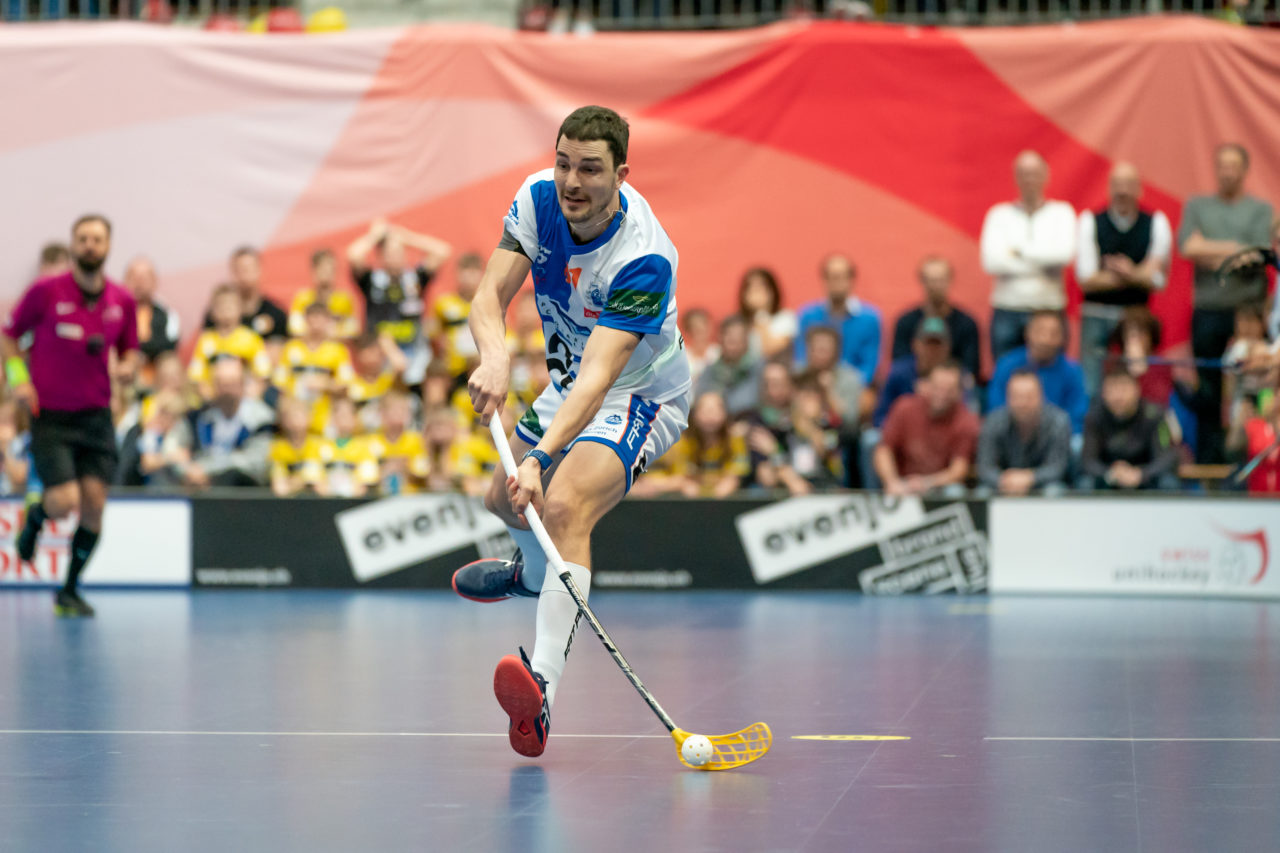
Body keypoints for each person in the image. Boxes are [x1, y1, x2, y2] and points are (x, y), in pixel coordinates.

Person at [450, 106, 691, 759]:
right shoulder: (537, 198)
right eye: (563, 163)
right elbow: (487, 297)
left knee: (561, 503)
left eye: (589, 168)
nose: (571, 181)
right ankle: (532, 576)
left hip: (637, 390)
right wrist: (496, 356)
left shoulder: (643, 257)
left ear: (621, 173)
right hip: (572, 378)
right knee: (502, 500)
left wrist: (543, 457)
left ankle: (542, 689)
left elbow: (598, 379)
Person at [1, 214, 139, 617]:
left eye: (97, 239)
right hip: (52, 415)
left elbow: (131, 349)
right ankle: (38, 513)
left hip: (96, 416)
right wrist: (18, 379)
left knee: (94, 504)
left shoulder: (122, 301)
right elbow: (8, 336)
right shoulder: (45, 292)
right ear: (73, 244)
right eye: (83, 239)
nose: (90, 245)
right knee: (64, 501)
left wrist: (129, 366)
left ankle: (70, 590)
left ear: (109, 246)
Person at [1178, 143, 1274, 463]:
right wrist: (1234, 248)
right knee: (1208, 387)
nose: (1227, 171)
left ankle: (1251, 454)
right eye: (1222, 165)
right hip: (1208, 310)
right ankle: (1209, 461)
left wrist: (1211, 249)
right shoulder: (1198, 206)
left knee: (1254, 383)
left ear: (1245, 170)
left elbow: (1258, 255)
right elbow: (1188, 247)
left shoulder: (1261, 210)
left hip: (1249, 311)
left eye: (1234, 165)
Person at [1075, 162, 1173, 398]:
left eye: (1128, 185)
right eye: (1117, 185)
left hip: (1136, 318)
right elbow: (1086, 279)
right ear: (1109, 188)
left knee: (1138, 382)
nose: (1122, 191)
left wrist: (1119, 273)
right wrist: (1137, 274)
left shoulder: (1157, 223)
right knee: (1092, 384)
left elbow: (1158, 280)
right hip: (1095, 315)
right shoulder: (1090, 221)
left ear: (1140, 189)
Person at [980, 150, 1077, 362]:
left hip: (1049, 307)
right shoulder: (999, 215)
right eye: (1023, 173)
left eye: (1034, 173)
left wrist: (1019, 252)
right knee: (1007, 373)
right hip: (1007, 307)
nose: (1029, 179)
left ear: (1046, 175)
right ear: (1015, 177)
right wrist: (1043, 262)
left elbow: (1063, 255)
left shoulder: (1062, 213)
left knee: (1051, 375)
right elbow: (992, 262)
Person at [347, 218, 452, 385]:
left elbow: (443, 251)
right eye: (390, 253)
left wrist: (407, 238)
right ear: (382, 257)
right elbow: (353, 255)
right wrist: (375, 236)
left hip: (416, 360)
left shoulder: (415, 280)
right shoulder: (373, 281)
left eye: (399, 252)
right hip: (382, 363)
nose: (395, 257)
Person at [873, 360, 980, 497]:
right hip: (901, 483)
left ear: (960, 393)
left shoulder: (966, 420)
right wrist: (892, 481)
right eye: (937, 387)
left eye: (949, 389)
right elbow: (883, 451)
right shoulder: (905, 407)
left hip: (939, 487)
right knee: (870, 441)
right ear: (925, 385)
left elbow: (959, 470)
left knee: (955, 491)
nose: (942, 394)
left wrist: (925, 483)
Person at [987, 311, 1088, 434]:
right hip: (1011, 437)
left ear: (1062, 338)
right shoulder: (1006, 365)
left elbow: (1077, 415)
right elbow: (996, 409)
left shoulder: (1073, 372)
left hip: (1058, 437)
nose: (1046, 339)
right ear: (1027, 333)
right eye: (1040, 331)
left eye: (1053, 333)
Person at [1080, 367, 1179, 491]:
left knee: (1169, 482)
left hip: (1146, 479)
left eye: (1124, 389)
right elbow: (1087, 460)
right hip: (1108, 479)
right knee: (1085, 483)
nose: (1118, 397)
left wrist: (1141, 474)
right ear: (1103, 394)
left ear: (1137, 390)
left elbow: (1167, 457)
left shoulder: (1156, 415)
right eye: (1112, 390)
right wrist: (1109, 474)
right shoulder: (1094, 417)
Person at [975, 369, 1072, 495]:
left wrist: (1029, 478)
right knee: (982, 493)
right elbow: (984, 467)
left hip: (1042, 484)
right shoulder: (993, 421)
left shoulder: (1059, 421)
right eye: (1016, 396)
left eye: (1029, 397)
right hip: (1004, 484)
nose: (1023, 403)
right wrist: (1004, 480)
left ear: (1041, 396)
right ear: (1007, 397)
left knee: (1054, 490)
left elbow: (1057, 467)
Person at [185, 358, 275, 488]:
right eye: (222, 384)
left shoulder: (261, 418)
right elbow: (182, 452)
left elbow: (256, 463)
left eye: (232, 384)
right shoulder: (200, 417)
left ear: (243, 385)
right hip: (203, 490)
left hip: (245, 491)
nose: (227, 391)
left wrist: (208, 468)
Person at [795, 253, 881, 384]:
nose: (837, 283)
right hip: (812, 386)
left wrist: (849, 385)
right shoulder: (807, 316)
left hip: (853, 387)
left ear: (851, 279)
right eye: (832, 277)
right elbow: (801, 358)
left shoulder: (870, 319)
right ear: (824, 280)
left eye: (842, 277)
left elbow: (869, 364)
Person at [890, 256, 981, 380]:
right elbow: (898, 363)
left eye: (941, 280)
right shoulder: (905, 322)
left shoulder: (966, 324)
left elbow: (971, 369)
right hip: (913, 385)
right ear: (921, 281)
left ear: (951, 280)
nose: (935, 286)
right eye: (930, 280)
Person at [273, 302, 355, 435]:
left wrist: (325, 384)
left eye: (320, 318)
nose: (316, 322)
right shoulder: (291, 348)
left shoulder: (337, 351)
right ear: (305, 320)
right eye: (313, 317)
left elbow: (346, 385)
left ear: (328, 321)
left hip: (323, 421)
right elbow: (280, 384)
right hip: (295, 420)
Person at [189, 284, 273, 400]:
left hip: (243, 400)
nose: (225, 309)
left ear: (240, 308)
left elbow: (262, 375)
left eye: (230, 305)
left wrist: (250, 395)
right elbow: (196, 376)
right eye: (220, 305)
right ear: (212, 311)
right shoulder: (205, 340)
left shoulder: (251, 339)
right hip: (214, 401)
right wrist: (208, 396)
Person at [875, 316, 957, 428]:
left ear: (947, 348)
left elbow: (966, 417)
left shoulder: (955, 377)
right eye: (927, 344)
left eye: (937, 345)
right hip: (900, 435)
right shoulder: (898, 373)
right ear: (915, 344)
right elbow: (880, 416)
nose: (932, 350)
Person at [203, 246, 288, 343]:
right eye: (239, 270)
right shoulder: (216, 314)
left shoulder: (275, 314)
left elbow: (279, 353)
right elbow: (208, 349)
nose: (244, 275)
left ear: (260, 270)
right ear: (232, 273)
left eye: (249, 269)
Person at [430, 251, 485, 385]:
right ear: (458, 273)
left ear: (481, 275)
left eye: (474, 271)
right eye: (465, 271)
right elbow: (432, 333)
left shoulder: (489, 304)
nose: (469, 276)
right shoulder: (443, 303)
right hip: (452, 370)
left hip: (480, 368)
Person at [695, 315, 762, 419]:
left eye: (739, 337)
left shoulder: (758, 367)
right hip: (718, 427)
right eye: (730, 337)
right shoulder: (710, 370)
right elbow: (701, 403)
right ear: (720, 338)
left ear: (747, 341)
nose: (734, 342)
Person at [287, 249, 359, 340]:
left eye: (330, 268)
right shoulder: (302, 298)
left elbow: (352, 330)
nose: (326, 272)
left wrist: (329, 332)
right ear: (314, 270)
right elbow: (294, 328)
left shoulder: (344, 299)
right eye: (322, 268)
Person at [315, 396, 379, 498]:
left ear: (354, 418)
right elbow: (316, 477)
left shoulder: (364, 446)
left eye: (347, 415)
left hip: (354, 499)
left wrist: (351, 491)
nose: (343, 419)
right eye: (339, 415)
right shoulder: (321, 446)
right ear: (332, 418)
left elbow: (367, 480)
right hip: (327, 499)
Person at [366, 392, 429, 495]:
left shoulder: (418, 441)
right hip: (379, 500)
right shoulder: (370, 442)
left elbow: (423, 474)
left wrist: (404, 468)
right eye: (396, 410)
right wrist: (385, 470)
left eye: (404, 410)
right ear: (382, 413)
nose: (401, 413)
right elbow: (366, 478)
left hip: (412, 499)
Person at [124, 256, 181, 368]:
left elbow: (169, 345)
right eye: (134, 277)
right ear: (125, 280)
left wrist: (142, 353)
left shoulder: (167, 313)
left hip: (156, 370)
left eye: (144, 278)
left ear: (154, 281)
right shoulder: (115, 313)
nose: (138, 283)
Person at [736, 266, 796, 359]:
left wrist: (760, 315)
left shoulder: (786, 317)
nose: (755, 292)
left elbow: (769, 349)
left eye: (760, 287)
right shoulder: (738, 322)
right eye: (750, 288)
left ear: (772, 291)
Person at [270, 397, 324, 497]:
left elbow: (318, 483)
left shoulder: (318, 445)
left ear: (309, 417)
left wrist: (296, 481)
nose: (295, 420)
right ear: (282, 420)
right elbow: (279, 487)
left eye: (300, 414)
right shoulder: (278, 447)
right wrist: (302, 481)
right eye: (290, 416)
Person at [680, 307, 717, 387]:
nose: (700, 332)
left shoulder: (719, 353)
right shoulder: (682, 357)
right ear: (687, 331)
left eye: (703, 328)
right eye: (695, 328)